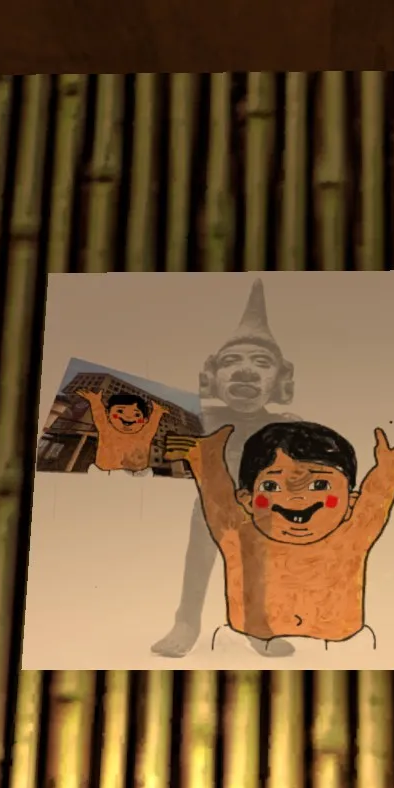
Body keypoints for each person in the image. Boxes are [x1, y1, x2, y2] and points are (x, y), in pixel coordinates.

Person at [166, 420, 394, 654]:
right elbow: (219, 501)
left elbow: (374, 500)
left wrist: (390, 470)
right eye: (272, 485)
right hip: (250, 644)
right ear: (248, 500)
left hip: (340, 648)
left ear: (350, 502)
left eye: (319, 484)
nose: (296, 498)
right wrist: (205, 460)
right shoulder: (242, 538)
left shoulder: (351, 537)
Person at [151, 280, 304, 656]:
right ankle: (187, 622)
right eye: (231, 361)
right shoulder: (198, 419)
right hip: (209, 507)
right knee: (197, 565)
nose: (246, 372)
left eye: (261, 363)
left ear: (280, 380)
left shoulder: (282, 426)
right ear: (211, 377)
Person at [74, 387, 167, 474]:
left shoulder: (143, 435)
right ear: (108, 415)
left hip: (135, 476)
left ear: (144, 421)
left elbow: (152, 425)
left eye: (136, 415)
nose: (128, 417)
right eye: (120, 411)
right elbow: (99, 416)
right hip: (106, 473)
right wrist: (95, 401)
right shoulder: (107, 429)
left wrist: (157, 412)